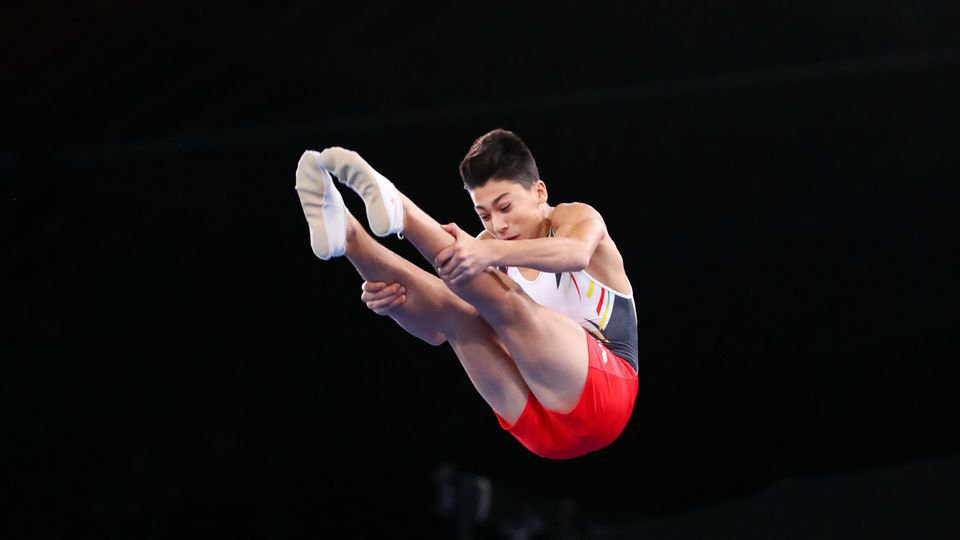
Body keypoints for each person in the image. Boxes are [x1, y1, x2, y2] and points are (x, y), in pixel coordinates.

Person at [294, 129, 638, 459]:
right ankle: (350, 237)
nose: (496, 226)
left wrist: (488, 255)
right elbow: (436, 332)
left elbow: (575, 254)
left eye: (505, 207)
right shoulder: (487, 248)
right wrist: (395, 308)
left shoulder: (575, 218)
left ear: (539, 192)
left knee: (510, 305)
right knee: (462, 317)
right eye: (483, 214)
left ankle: (400, 207)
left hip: (606, 396)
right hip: (537, 430)